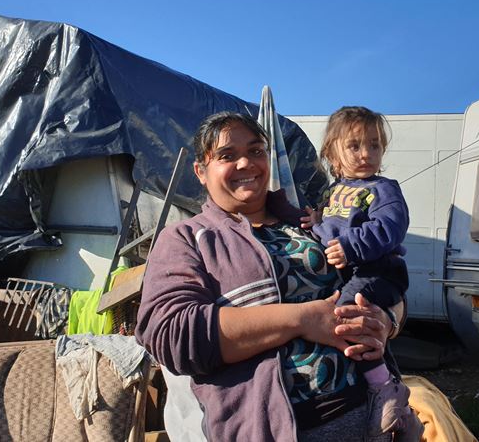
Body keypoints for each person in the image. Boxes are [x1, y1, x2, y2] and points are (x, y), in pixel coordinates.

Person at [135, 111, 412, 442]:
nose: (246, 164)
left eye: (255, 151)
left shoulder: (311, 223)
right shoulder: (186, 238)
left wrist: (387, 319)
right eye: (227, 155)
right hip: (268, 430)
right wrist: (301, 319)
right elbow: (172, 337)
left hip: (370, 419)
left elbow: (382, 282)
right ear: (201, 171)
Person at [306, 106, 422, 440]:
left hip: (379, 273)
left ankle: (384, 388)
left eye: (374, 145)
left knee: (344, 313)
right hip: (353, 273)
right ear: (332, 152)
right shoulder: (331, 193)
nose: (366, 154)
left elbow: (390, 227)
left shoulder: (383, 189)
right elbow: (328, 231)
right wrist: (315, 225)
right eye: (354, 146)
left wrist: (351, 246)